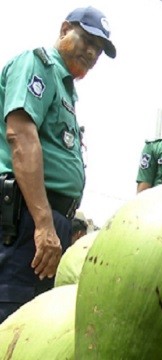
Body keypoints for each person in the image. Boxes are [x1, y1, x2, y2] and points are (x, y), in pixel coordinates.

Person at [0, 6, 116, 322]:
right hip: (28, 217)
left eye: (100, 49)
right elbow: (21, 137)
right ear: (65, 29)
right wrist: (42, 223)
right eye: (88, 40)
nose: (93, 53)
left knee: (36, 325)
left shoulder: (65, 88)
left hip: (50, 221)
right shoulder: (37, 64)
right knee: (13, 316)